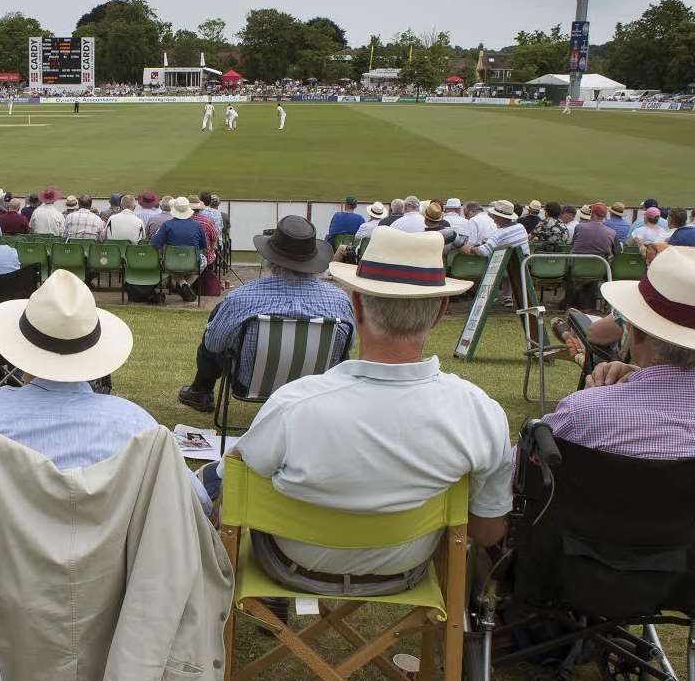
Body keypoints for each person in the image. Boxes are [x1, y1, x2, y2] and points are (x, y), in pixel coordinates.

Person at [203, 227, 510, 591]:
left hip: (291, 562)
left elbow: (231, 480)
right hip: (405, 567)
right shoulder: (478, 411)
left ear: (358, 305)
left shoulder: (293, 405)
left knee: (221, 477)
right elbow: (488, 532)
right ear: (441, 310)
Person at [0, 269, 211, 529]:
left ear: (21, 344)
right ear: (94, 350)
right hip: (110, 587)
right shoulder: (136, 427)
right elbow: (196, 504)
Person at [177, 216, 354, 412]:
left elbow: (213, 344)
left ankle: (201, 391)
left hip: (250, 384)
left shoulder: (240, 299)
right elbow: (346, 348)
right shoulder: (339, 301)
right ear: (313, 260)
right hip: (317, 388)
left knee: (214, 332)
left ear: (269, 258)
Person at [543, 247, 695, 458]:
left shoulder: (581, 413)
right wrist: (639, 376)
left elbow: (519, 475)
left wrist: (595, 398)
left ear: (636, 332)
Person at [151, 197, 206, 302]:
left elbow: (154, 244)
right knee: (204, 260)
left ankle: (182, 284)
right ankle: (185, 286)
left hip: (172, 262)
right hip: (190, 262)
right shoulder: (197, 226)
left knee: (166, 260)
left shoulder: (167, 225)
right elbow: (203, 246)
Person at [466, 200, 531, 257]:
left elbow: (482, 252)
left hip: (509, 269)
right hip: (524, 265)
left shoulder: (500, 234)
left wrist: (471, 248)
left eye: (495, 215)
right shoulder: (521, 227)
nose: (493, 218)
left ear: (500, 217)